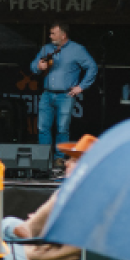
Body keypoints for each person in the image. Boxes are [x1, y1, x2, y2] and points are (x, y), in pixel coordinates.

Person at [30, 21, 97, 165]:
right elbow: (33, 66)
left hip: (65, 95)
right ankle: (44, 159)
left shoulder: (77, 49)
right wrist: (38, 66)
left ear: (63, 35)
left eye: (53, 33)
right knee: (42, 127)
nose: (50, 35)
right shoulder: (46, 48)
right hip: (47, 93)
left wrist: (81, 87)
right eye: (50, 33)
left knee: (62, 128)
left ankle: (59, 159)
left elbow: (92, 67)